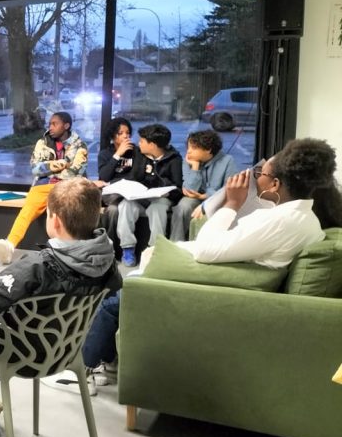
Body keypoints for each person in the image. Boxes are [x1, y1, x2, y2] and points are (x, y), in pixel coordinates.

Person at [83, 138, 339, 376]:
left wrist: (232, 203)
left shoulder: (281, 221)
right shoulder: (302, 218)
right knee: (120, 285)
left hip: (212, 285)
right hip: (224, 277)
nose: (255, 177)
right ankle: (109, 358)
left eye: (261, 173)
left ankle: (85, 366)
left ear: (275, 185)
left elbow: (207, 249)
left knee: (114, 300)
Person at [0, 178, 121, 437]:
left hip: (20, 354)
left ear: (55, 221)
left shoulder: (38, 267)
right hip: (64, 351)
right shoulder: (107, 262)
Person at [0, 112, 88, 265]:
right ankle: (9, 245)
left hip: (66, 187)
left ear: (66, 126)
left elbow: (75, 172)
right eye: (49, 124)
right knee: (27, 211)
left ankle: (67, 252)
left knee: (59, 215)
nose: (50, 127)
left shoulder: (79, 145)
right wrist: (59, 164)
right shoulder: (42, 143)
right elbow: (35, 169)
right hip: (42, 185)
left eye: (54, 124)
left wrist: (49, 168)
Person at [115, 124, 183, 266]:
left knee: (157, 208)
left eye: (142, 141)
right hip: (141, 198)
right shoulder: (139, 154)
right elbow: (133, 178)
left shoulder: (174, 159)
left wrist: (160, 183)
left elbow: (177, 187)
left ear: (152, 144)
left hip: (162, 199)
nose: (138, 143)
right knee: (125, 205)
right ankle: (128, 248)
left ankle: (154, 249)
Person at [170, 130, 235, 241]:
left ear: (208, 149)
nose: (188, 152)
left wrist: (205, 196)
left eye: (194, 148)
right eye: (188, 147)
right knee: (183, 207)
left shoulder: (227, 161)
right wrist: (195, 168)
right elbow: (189, 189)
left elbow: (229, 189)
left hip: (218, 198)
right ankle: (176, 243)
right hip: (194, 197)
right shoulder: (189, 161)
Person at [95, 117, 135, 242]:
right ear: (113, 136)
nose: (125, 136)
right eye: (120, 133)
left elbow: (134, 176)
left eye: (127, 133)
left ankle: (114, 245)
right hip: (112, 194)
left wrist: (109, 182)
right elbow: (104, 176)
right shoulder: (105, 154)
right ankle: (110, 245)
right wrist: (117, 155)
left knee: (114, 209)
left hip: (131, 193)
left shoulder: (135, 152)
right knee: (112, 209)